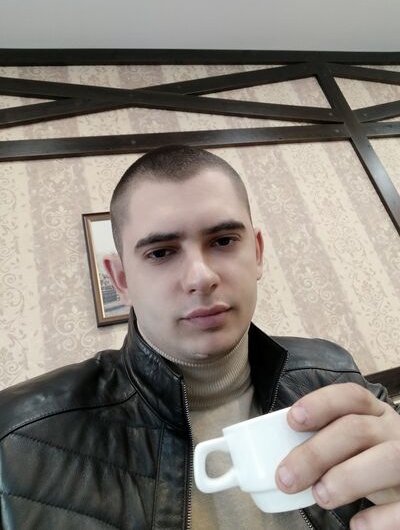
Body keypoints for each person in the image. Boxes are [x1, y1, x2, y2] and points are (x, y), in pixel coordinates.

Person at [0, 145, 399, 530]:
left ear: (257, 252)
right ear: (121, 280)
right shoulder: (15, 443)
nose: (201, 277)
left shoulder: (334, 372)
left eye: (223, 241)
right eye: (160, 252)